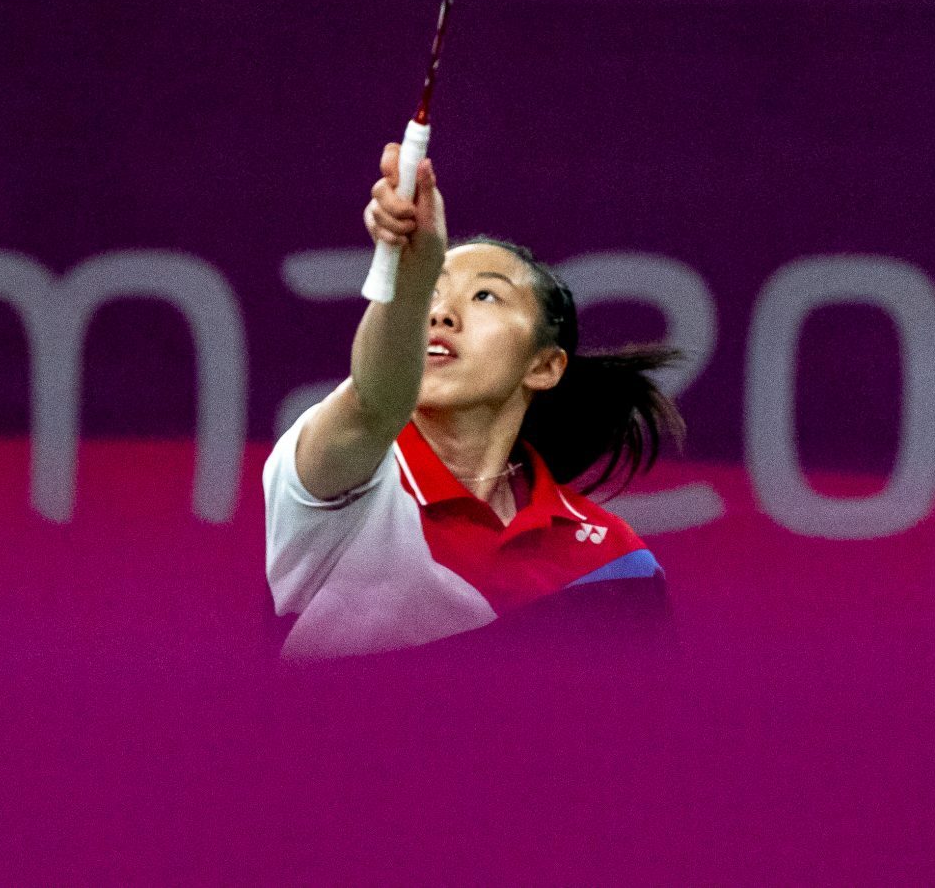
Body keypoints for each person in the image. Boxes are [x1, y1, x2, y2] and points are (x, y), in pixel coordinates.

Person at [262, 143, 684, 659]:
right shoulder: (344, 482)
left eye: (485, 295)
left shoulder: (615, 563)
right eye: (432, 296)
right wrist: (411, 276)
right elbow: (376, 402)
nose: (441, 315)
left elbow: (647, 730)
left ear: (544, 366)